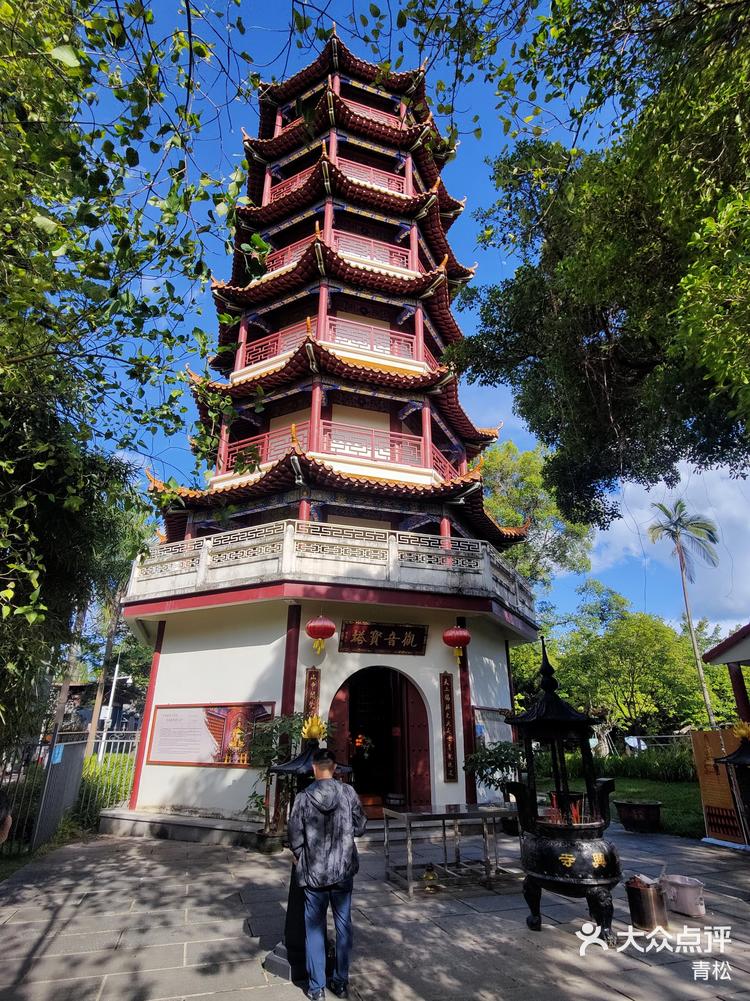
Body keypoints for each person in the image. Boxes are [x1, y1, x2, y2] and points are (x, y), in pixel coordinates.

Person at [288, 747, 367, 1000]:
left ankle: (316, 988)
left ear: (313, 768)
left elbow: (294, 835)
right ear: (334, 769)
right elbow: (361, 826)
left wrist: (300, 854)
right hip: (343, 870)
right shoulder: (348, 793)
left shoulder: (303, 797)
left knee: (314, 928)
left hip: (314, 873)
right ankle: (341, 981)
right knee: (343, 925)